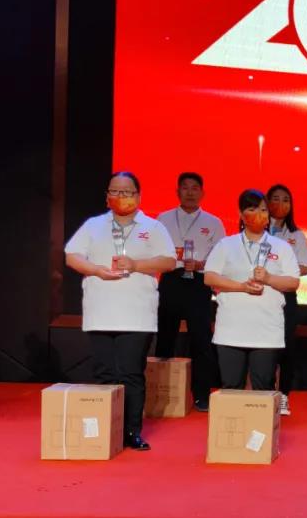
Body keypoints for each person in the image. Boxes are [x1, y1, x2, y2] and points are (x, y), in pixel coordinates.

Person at [64, 171, 176, 451]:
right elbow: (72, 256)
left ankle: (131, 431)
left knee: (131, 373)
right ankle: (107, 429)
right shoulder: (93, 225)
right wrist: (95, 270)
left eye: (126, 192)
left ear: (138, 196)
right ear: (107, 196)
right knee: (104, 373)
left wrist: (136, 265)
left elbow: (169, 261)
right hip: (100, 311)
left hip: (137, 314)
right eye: (115, 191)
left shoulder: (153, 227)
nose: (120, 197)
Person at [204, 190, 300, 396]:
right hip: (231, 330)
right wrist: (241, 287)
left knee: (264, 388)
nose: (259, 214)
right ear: (241, 214)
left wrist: (269, 278)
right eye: (252, 209)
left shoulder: (281, 247)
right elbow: (209, 277)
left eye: (263, 210)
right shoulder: (226, 245)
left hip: (266, 331)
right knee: (231, 387)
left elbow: (293, 282)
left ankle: (262, 419)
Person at [156, 172, 226, 412]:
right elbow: (154, 250)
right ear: (177, 192)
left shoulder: (213, 222)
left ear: (202, 193)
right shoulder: (162, 219)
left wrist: (200, 264)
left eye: (195, 188)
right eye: (185, 187)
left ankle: (201, 394)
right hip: (171, 280)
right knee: (165, 336)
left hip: (198, 283)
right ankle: (161, 392)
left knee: (201, 340)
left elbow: (220, 257)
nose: (189, 192)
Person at [266, 184, 307, 415]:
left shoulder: (296, 235)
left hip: (286, 296)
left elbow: (305, 267)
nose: (280, 203)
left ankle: (283, 394)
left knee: (286, 346)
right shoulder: (257, 231)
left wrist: (278, 271)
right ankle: (264, 393)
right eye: (275, 198)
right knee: (262, 347)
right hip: (260, 294)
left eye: (286, 200)